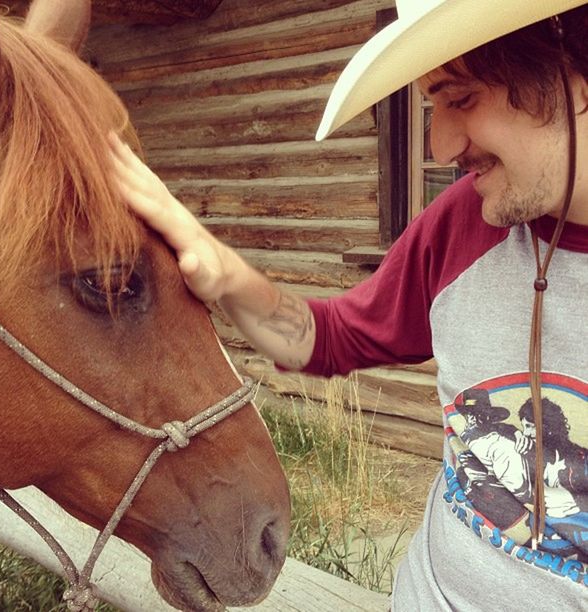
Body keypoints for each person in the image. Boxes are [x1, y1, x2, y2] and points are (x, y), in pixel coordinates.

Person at [109, 1, 588, 609]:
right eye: (431, 105)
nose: (439, 147)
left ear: (573, 80)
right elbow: (327, 337)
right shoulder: (461, 223)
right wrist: (218, 266)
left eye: (461, 99)